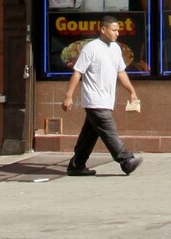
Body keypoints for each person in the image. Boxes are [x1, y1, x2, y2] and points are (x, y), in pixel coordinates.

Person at [61, 17, 143, 176]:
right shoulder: (91, 48)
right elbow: (78, 72)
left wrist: (132, 92)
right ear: (103, 30)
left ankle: (76, 165)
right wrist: (68, 96)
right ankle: (126, 161)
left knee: (89, 135)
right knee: (109, 130)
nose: (117, 33)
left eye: (118, 30)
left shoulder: (116, 49)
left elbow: (121, 72)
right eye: (114, 30)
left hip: (107, 99)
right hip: (94, 99)